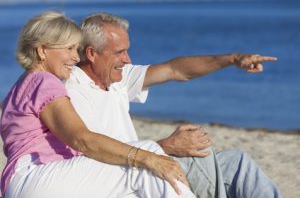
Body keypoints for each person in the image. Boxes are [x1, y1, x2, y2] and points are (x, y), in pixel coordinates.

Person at [65, 12, 282, 198]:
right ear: (92, 53)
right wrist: (166, 146)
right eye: (119, 52)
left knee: (236, 163)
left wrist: (233, 59)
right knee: (226, 167)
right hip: (127, 179)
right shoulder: (72, 91)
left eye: (127, 50)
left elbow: (175, 70)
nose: (128, 59)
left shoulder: (117, 79)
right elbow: (92, 156)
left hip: (146, 163)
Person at [0, 11, 198, 198]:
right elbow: (82, 139)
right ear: (43, 51)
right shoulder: (45, 82)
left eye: (75, 49)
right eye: (69, 48)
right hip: (36, 177)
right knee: (147, 157)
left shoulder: (22, 85)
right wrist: (148, 157)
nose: (76, 57)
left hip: (24, 182)